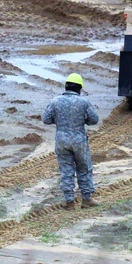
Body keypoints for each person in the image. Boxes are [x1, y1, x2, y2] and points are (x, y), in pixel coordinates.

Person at [42, 73, 100, 209]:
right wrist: (83, 121)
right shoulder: (83, 102)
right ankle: (86, 200)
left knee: (66, 171)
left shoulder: (55, 101)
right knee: (84, 168)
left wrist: (59, 122)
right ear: (79, 88)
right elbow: (94, 119)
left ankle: (69, 202)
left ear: (66, 87)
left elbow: (46, 119)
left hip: (61, 140)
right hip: (79, 140)